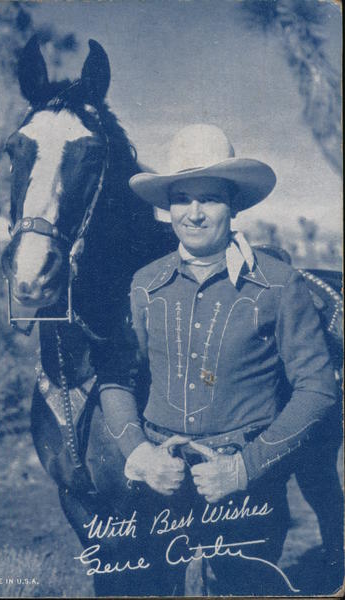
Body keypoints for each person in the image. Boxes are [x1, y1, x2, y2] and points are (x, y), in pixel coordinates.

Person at [97, 124, 337, 596]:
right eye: (182, 197)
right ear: (167, 208)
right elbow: (116, 378)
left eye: (209, 198)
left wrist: (244, 468)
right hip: (162, 482)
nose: (195, 212)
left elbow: (317, 387)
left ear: (233, 204)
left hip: (249, 488)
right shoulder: (144, 284)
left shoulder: (279, 284)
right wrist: (142, 457)